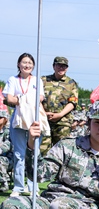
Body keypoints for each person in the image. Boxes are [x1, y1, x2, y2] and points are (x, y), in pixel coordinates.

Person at [2, 53, 44, 197]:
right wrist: (24, 99)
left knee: (34, 153)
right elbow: (9, 98)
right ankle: (18, 187)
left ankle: (33, 186)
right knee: (19, 154)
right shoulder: (13, 80)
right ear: (18, 64)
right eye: (24, 62)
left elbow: (40, 98)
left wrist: (21, 98)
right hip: (18, 120)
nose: (27, 65)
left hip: (34, 118)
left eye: (30, 63)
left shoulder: (37, 80)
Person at [40, 56, 79, 155]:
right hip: (44, 120)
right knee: (42, 150)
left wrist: (60, 114)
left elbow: (73, 102)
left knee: (61, 151)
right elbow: (36, 99)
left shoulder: (71, 83)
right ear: (54, 66)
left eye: (64, 66)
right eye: (59, 65)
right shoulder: (43, 80)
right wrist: (43, 113)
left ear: (67, 68)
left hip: (63, 122)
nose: (61, 68)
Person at [0, 110, 12, 192]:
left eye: (0, 118)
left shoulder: (8, 131)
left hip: (9, 159)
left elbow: (8, 145)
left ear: (5, 119)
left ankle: (4, 183)